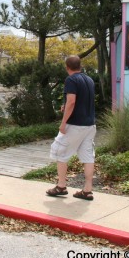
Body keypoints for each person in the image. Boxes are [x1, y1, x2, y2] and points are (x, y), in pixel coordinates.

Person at [46, 55, 96, 201]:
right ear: (80, 65)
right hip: (90, 125)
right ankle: (87, 190)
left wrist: (63, 122)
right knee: (88, 157)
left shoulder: (71, 80)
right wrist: (66, 106)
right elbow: (80, 101)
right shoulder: (89, 80)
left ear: (67, 67)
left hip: (75, 125)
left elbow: (72, 101)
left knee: (60, 152)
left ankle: (61, 186)